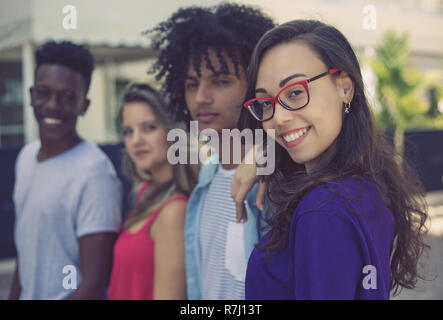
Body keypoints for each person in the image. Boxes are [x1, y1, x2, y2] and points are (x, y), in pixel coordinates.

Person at [240, 20, 429, 299]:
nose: (278, 118)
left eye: (294, 92)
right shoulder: (369, 185)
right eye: (266, 103)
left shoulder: (322, 211)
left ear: (345, 88)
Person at [147, 3, 275, 299]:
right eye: (192, 84)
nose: (201, 97)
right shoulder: (205, 181)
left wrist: (270, 154)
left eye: (221, 81)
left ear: (256, 84)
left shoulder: (273, 177)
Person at [9, 41, 122, 300]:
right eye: (43, 92)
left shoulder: (95, 173)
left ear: (85, 105)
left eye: (67, 97)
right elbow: (26, 255)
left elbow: (94, 283)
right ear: (30, 95)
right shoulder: (26, 158)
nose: (52, 105)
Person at [107, 83, 198, 300]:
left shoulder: (174, 211)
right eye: (128, 131)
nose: (136, 140)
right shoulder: (145, 191)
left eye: (148, 127)